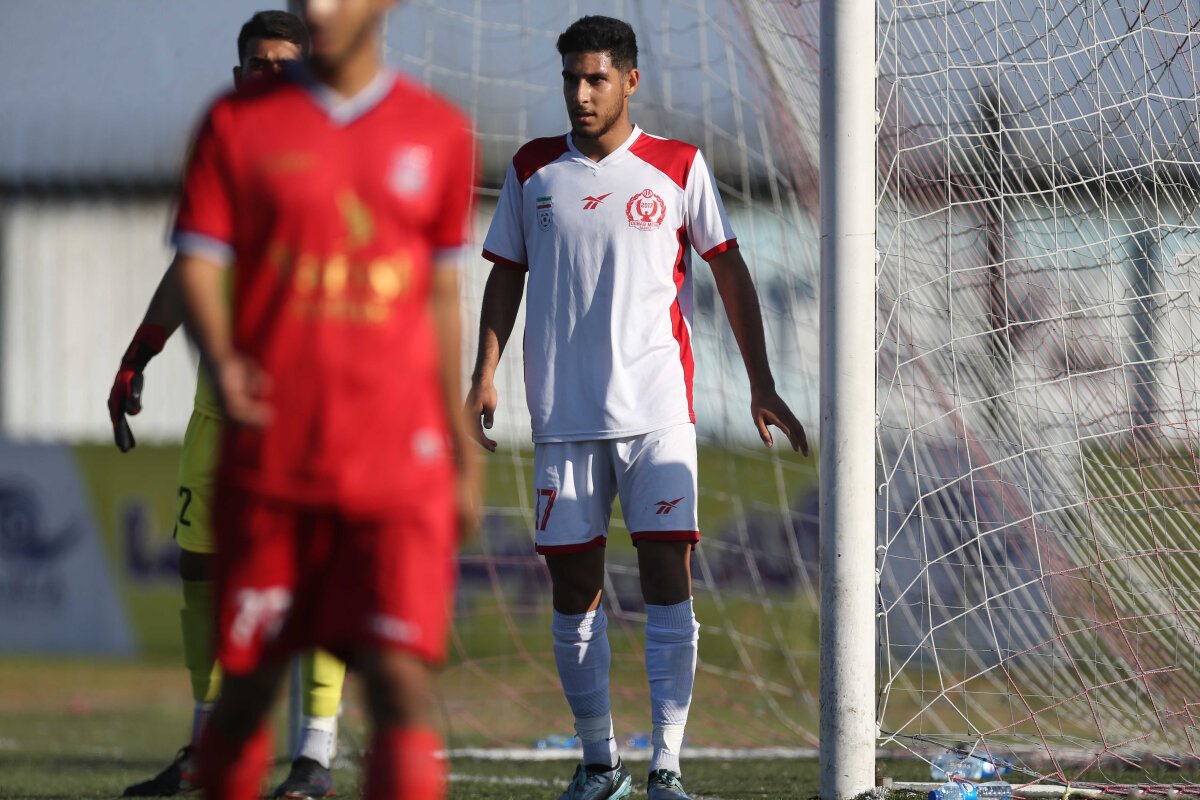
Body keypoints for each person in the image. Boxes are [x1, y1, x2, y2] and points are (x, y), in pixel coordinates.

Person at [465, 14, 808, 800]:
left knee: (667, 578)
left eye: (596, 79)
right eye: (571, 80)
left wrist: (759, 380)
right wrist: (483, 371)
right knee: (572, 591)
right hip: (564, 417)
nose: (581, 94)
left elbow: (728, 268)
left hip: (657, 414)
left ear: (630, 81)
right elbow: (505, 273)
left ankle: (667, 768)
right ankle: (600, 765)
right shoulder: (532, 170)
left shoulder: (677, 166)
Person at [172, 0, 478, 796]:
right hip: (273, 461)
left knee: (399, 685)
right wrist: (222, 358)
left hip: (393, 464)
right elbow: (196, 265)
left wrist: (460, 443)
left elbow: (441, 297)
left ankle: (317, 756)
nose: (318, 8)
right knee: (247, 692)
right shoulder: (237, 126)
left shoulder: (438, 131)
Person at [108, 11, 349, 798]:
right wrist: (139, 354)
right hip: (220, 414)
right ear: (239, 73)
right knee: (202, 569)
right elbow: (191, 268)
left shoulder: (342, 154)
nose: (271, 76)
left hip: (310, 411)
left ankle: (314, 755)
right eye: (258, 64)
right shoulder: (219, 155)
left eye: (286, 64)